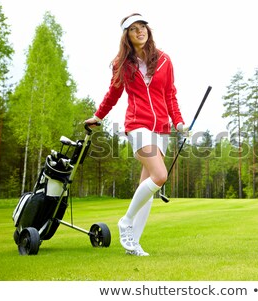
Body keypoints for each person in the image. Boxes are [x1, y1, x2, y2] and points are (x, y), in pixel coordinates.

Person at [85, 13, 189, 256]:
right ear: (127, 36)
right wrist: (98, 117)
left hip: (161, 129)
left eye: (142, 27)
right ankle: (126, 221)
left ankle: (133, 244)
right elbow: (114, 93)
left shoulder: (164, 60)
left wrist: (180, 122)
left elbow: (170, 95)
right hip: (137, 125)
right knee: (160, 176)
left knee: (148, 186)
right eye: (134, 29)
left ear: (148, 30)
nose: (140, 31)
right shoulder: (122, 64)